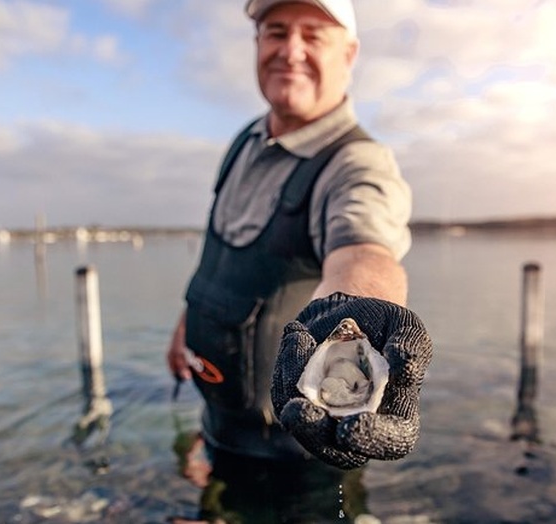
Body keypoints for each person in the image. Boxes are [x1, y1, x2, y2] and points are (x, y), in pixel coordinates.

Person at [165, 1, 432, 515]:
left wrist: (365, 314)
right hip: (221, 428)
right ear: (256, 44)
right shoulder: (244, 141)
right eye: (275, 31)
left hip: (300, 460)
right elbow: (220, 253)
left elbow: (363, 249)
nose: (291, 51)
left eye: (314, 34)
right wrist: (187, 326)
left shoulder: (357, 164)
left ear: (349, 53)